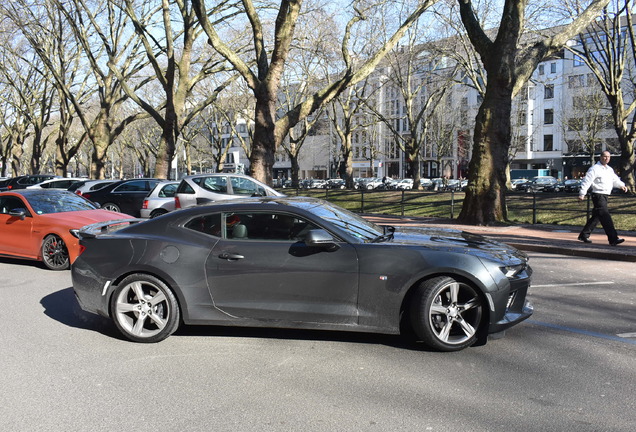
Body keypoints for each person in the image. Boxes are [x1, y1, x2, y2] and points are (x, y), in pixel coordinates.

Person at [577, 151, 628, 246]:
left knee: (597, 216)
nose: (607, 158)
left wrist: (622, 185)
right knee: (605, 216)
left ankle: (584, 235)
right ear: (600, 157)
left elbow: (615, 180)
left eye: (608, 157)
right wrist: (582, 193)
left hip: (605, 195)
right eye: (605, 156)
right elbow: (587, 181)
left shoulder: (609, 169)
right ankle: (613, 238)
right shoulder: (594, 169)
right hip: (598, 195)